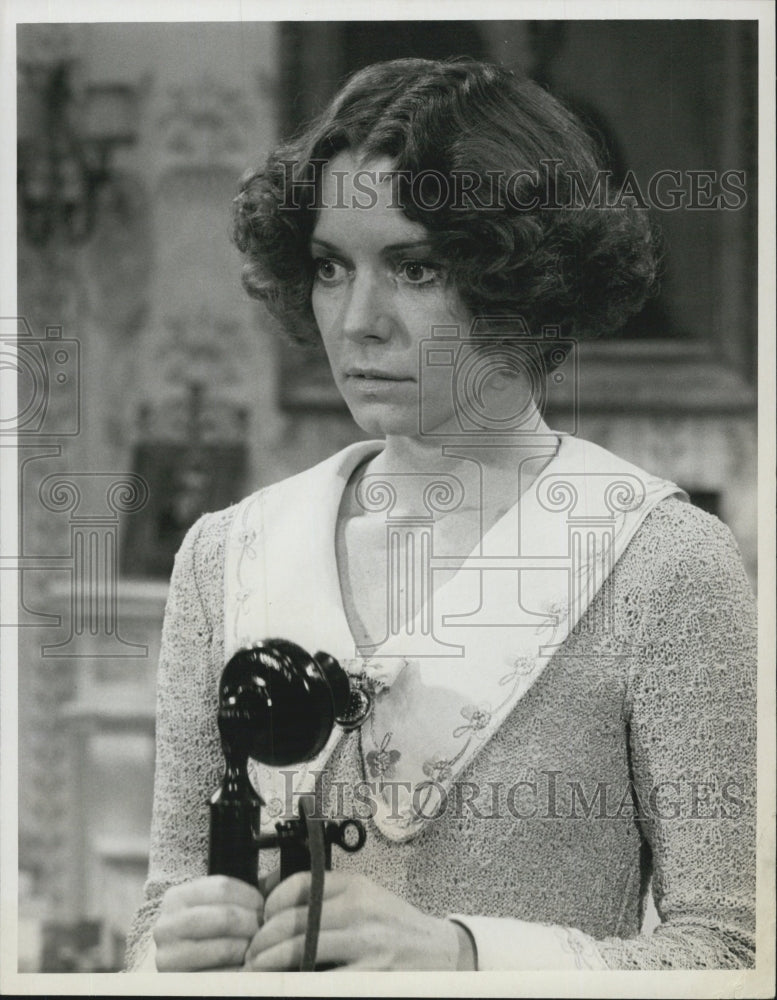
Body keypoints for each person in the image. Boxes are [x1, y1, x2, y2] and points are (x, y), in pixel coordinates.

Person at [125, 58, 756, 972]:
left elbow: (733, 954)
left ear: (523, 277)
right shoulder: (226, 554)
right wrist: (174, 943)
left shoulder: (662, 562)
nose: (357, 321)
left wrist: (464, 957)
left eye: (415, 267)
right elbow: (161, 913)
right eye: (330, 268)